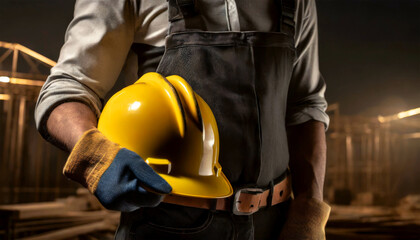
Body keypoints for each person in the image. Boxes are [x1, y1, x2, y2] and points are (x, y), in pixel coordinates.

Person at [35, 0, 331, 239]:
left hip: (275, 224)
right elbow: (67, 88)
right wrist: (95, 156)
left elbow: (305, 106)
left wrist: (308, 212)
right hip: (168, 223)